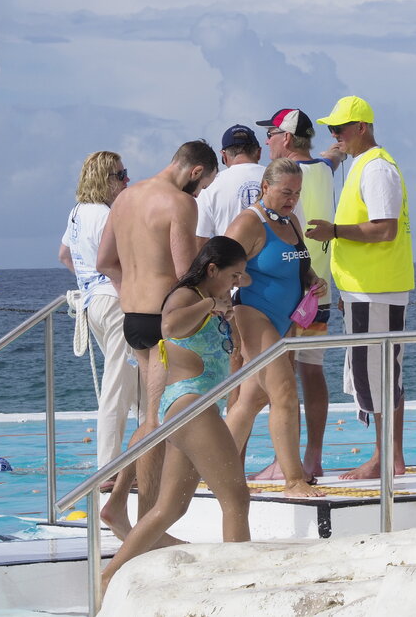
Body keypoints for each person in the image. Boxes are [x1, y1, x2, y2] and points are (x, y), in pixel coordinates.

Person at [100, 237, 252, 596]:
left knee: (169, 508)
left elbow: (232, 292)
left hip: (192, 405)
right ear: (212, 269)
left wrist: (227, 300)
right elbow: (169, 327)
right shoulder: (187, 297)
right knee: (236, 499)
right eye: (232, 275)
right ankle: (241, 585)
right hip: (191, 403)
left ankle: (109, 576)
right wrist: (212, 304)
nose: (235, 283)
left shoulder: (210, 298)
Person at [95, 140, 218, 539]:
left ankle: (118, 506)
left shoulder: (125, 198)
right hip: (163, 321)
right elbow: (186, 273)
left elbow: (104, 263)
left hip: (133, 315)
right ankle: (145, 528)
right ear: (195, 172)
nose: (198, 195)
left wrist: (131, 288)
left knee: (152, 414)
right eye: (201, 186)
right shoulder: (180, 204)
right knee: (156, 422)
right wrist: (216, 302)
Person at [305, 96, 414, 480]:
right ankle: (391, 457)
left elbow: (383, 229)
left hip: (376, 288)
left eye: (340, 129)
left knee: (379, 375)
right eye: (330, 130)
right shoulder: (362, 166)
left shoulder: (376, 168)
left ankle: (386, 458)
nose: (334, 136)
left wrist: (333, 231)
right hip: (366, 289)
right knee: (378, 372)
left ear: (362, 127)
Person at [224, 158, 327, 498]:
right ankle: (294, 480)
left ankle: (213, 468)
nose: (291, 199)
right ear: (264, 187)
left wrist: (313, 280)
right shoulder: (248, 224)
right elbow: (217, 269)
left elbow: (300, 263)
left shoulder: (291, 220)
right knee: (284, 392)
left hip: (287, 320)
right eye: (285, 192)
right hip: (255, 315)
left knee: (251, 400)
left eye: (296, 193)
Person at [252, 108, 339, 480]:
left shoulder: (284, 180)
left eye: (271, 134)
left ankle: (283, 461)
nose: (266, 141)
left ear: (286, 139)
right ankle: (312, 456)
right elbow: (330, 159)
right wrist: (338, 151)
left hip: (288, 296)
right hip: (319, 293)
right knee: (312, 373)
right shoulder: (322, 170)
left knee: (280, 383)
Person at [59, 151, 139, 471]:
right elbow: (124, 260)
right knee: (119, 388)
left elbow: (65, 255)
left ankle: (147, 458)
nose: (126, 180)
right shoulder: (107, 215)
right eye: (120, 175)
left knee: (136, 384)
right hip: (115, 302)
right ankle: (108, 467)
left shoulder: (77, 213)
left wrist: (90, 281)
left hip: (94, 303)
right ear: (104, 179)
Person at [195, 125, 265, 251]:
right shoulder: (279, 179)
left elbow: (200, 238)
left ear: (224, 155)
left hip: (231, 268)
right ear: (259, 152)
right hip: (276, 267)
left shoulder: (210, 186)